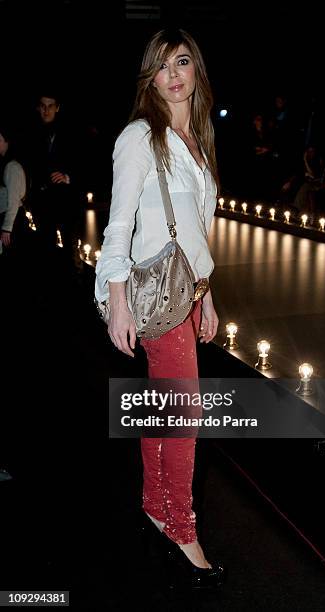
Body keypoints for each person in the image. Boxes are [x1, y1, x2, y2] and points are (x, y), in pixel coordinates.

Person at [95, 29, 225, 588]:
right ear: (150, 78)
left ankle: (155, 506)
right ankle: (181, 528)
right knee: (185, 415)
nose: (174, 74)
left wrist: (208, 293)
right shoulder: (139, 137)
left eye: (183, 61)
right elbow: (118, 224)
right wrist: (117, 300)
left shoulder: (196, 141)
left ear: (195, 70)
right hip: (152, 296)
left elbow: (197, 231)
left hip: (186, 294)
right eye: (162, 66)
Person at [23, 92, 82, 271]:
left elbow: (86, 163)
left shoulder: (70, 133)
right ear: (38, 108)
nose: (46, 110)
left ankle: (75, 287)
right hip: (42, 205)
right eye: (43, 106)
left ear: (57, 108)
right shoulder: (32, 135)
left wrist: (68, 177)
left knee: (70, 253)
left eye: (50, 106)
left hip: (66, 203)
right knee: (46, 253)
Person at [0, 125, 27, 256]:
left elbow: (13, 200)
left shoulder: (12, 167)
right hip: (11, 219)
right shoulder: (7, 164)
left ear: (7, 142)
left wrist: (6, 228)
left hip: (13, 221)